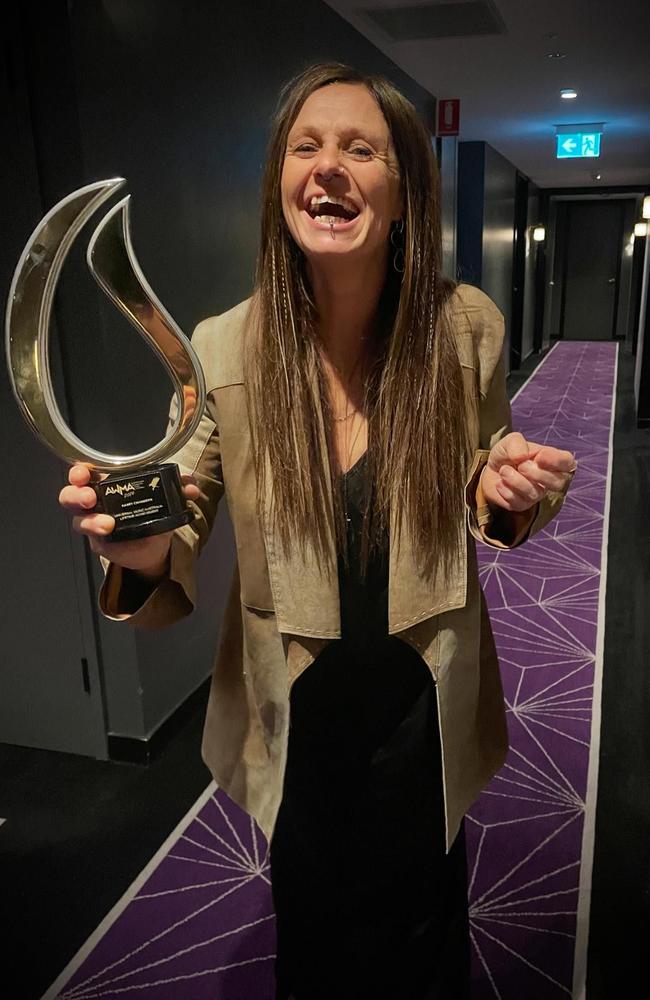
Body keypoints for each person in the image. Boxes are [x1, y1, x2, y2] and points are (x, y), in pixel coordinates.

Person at [59, 63, 576, 1000]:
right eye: (307, 146)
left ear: (406, 193)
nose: (328, 167)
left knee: (426, 926)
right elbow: (186, 497)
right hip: (292, 707)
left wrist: (513, 486)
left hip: (423, 697)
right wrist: (141, 553)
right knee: (316, 932)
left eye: (360, 149)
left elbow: (489, 473)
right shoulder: (222, 347)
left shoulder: (466, 329)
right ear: (279, 185)